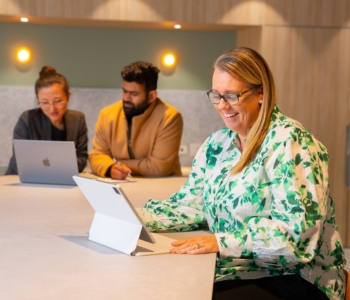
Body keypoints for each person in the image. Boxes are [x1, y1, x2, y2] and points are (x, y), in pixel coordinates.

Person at [137, 47, 346, 300]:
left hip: (295, 279)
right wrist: (137, 217)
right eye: (216, 95)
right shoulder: (218, 144)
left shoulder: (290, 142)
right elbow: (191, 205)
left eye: (232, 95)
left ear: (261, 93)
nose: (222, 106)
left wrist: (220, 242)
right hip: (239, 269)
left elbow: (297, 239)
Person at [89, 61, 183, 180]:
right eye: (124, 91)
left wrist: (115, 164)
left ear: (152, 96)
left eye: (134, 93)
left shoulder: (170, 118)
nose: (126, 98)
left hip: (162, 189)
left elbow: (160, 167)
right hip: (120, 186)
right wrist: (109, 168)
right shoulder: (107, 114)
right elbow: (96, 155)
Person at [5, 66, 88, 175]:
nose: (52, 108)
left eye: (58, 101)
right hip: (22, 180)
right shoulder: (27, 119)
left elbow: (82, 160)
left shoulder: (78, 119)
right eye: (44, 102)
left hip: (62, 180)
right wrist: (65, 160)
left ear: (68, 96)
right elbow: (19, 163)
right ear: (37, 100)